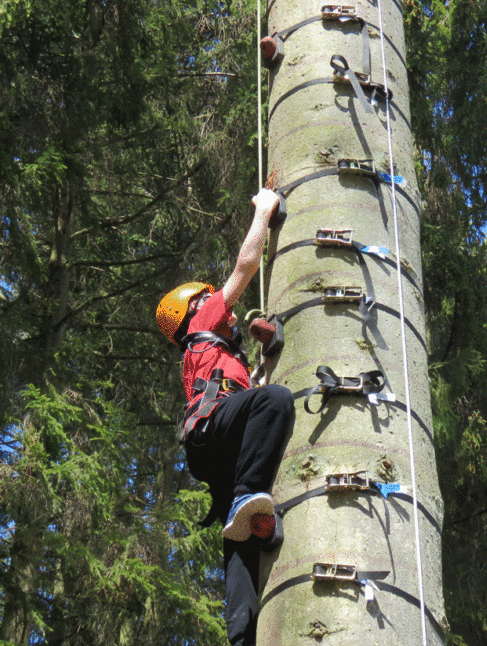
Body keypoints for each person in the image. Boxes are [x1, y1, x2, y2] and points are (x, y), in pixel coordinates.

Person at [156, 188, 294, 646]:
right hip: (214, 430)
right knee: (274, 401)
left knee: (239, 539)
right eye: (213, 301)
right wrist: (263, 209)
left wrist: (264, 351)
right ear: (196, 307)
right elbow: (245, 266)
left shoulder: (213, 354)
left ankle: (242, 637)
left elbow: (237, 390)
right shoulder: (202, 322)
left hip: (213, 448)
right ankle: (247, 498)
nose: (225, 308)